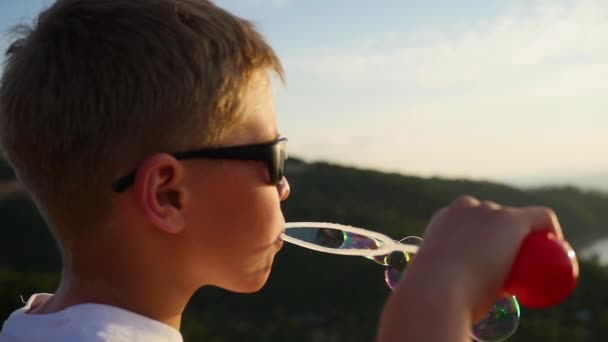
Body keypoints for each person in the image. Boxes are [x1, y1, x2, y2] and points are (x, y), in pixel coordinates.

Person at [0, 0, 564, 341]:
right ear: (169, 196)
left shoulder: (31, 324)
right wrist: (442, 293)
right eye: (273, 160)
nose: (286, 185)